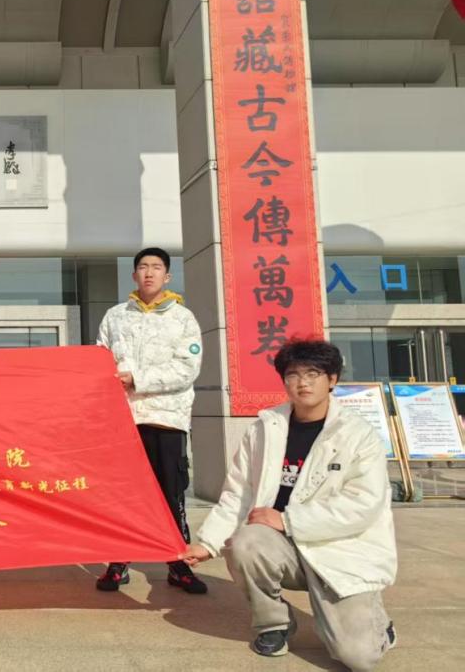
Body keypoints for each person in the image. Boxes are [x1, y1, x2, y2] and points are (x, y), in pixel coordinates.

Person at [182, 340, 397, 669]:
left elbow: (362, 505)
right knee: (245, 543)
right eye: (293, 374)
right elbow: (239, 493)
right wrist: (208, 543)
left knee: (359, 657)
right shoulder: (264, 430)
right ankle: (274, 624)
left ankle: (379, 625)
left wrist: (287, 521)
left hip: (339, 550)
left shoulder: (358, 435)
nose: (303, 382)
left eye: (313, 374)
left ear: (332, 380)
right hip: (282, 549)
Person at [95, 247, 205, 593]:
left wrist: (136, 379)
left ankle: (178, 563)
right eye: (143, 267)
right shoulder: (115, 316)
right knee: (124, 494)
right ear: (134, 275)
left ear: (167, 276)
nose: (149, 272)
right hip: (124, 421)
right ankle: (118, 561)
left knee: (170, 494)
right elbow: (100, 359)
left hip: (166, 419)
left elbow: (186, 369)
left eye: (156, 267)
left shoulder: (183, 319)